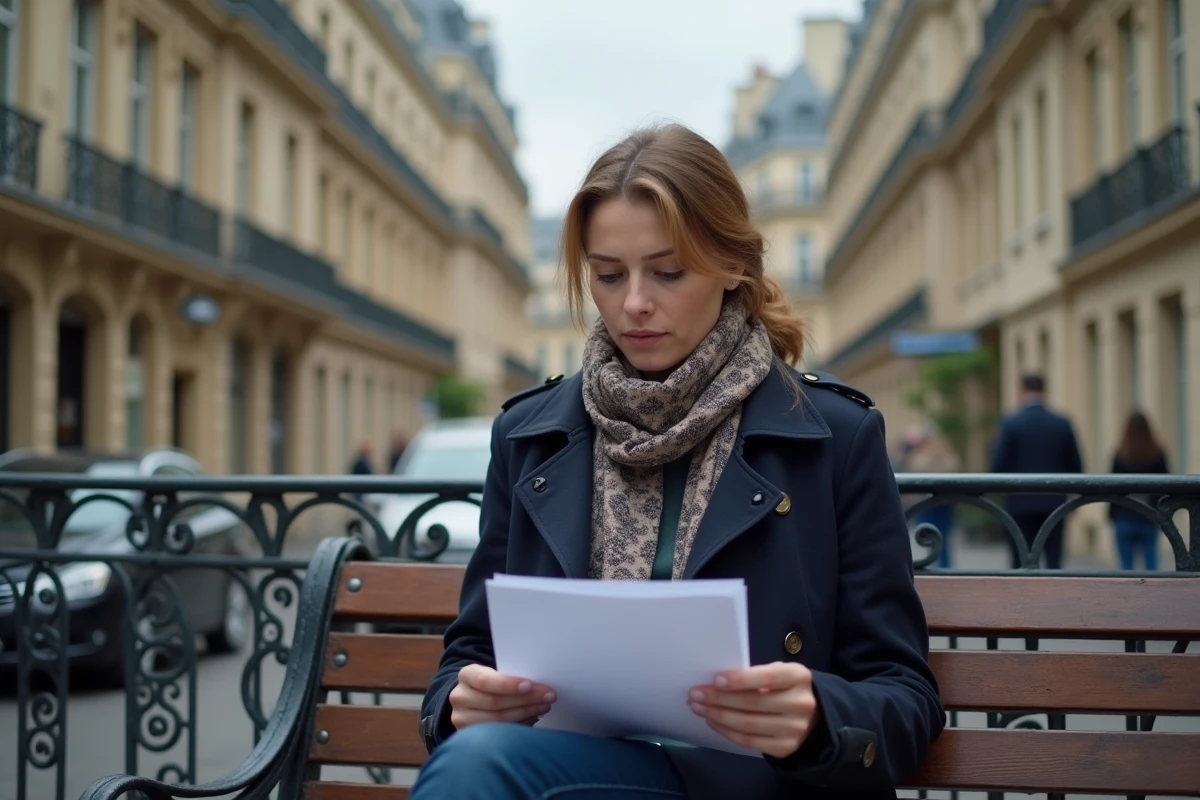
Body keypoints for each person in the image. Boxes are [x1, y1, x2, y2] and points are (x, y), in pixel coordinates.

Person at [410, 123, 943, 800]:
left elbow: (904, 697)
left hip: (762, 786)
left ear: (733, 264)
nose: (634, 302)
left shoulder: (834, 436)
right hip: (576, 774)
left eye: (668, 272)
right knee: (478, 758)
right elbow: (469, 657)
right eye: (608, 275)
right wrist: (462, 705)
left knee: (482, 768)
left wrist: (818, 717)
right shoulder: (528, 436)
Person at [989, 373, 1083, 569]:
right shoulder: (1061, 423)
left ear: (1021, 391)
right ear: (1044, 390)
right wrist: (1076, 499)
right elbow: (1075, 464)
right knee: (1054, 562)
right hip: (1054, 503)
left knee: (1021, 562)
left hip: (1019, 503)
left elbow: (998, 465)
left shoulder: (1011, 423)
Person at [1108, 410, 1170, 571]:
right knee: (1151, 566)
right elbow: (1166, 486)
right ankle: (1152, 589)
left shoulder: (1121, 455)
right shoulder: (1157, 454)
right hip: (1150, 516)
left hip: (1124, 516)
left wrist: (1111, 514)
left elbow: (1112, 487)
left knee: (1126, 568)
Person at [901, 423, 961, 568]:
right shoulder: (923, 454)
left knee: (940, 538)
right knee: (932, 537)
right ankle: (939, 567)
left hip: (940, 503)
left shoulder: (943, 454)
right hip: (929, 502)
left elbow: (953, 467)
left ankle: (942, 568)